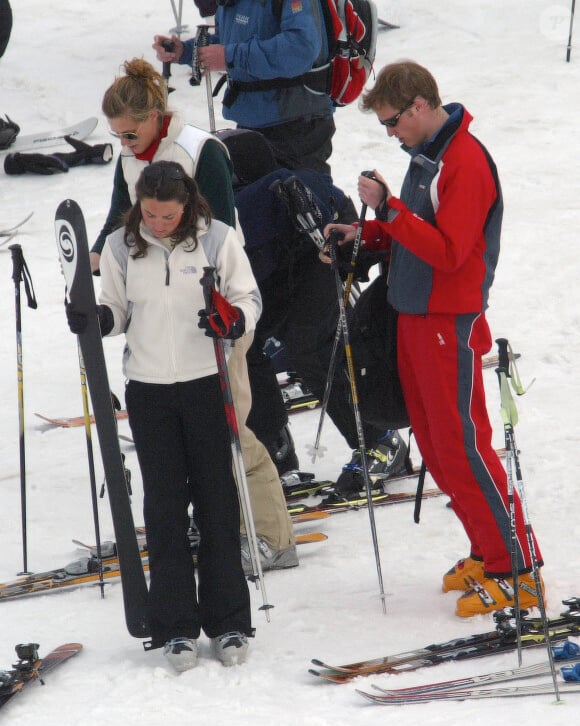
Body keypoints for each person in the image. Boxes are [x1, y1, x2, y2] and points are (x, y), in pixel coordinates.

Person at [324, 60, 545, 617]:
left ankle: (516, 568)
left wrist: (390, 210)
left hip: (449, 321)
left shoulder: (465, 161)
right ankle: (486, 548)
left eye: (392, 122)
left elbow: (450, 252)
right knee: (436, 446)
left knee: (463, 446)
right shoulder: (427, 155)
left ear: (420, 106)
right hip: (415, 317)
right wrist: (369, 231)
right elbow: (418, 231)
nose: (390, 134)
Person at [90, 58, 297, 573]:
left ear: (157, 115)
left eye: (130, 133)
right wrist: (98, 257)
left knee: (230, 430)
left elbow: (220, 235)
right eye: (117, 136)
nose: (125, 144)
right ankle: (208, 521)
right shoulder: (131, 157)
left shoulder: (200, 151)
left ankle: (274, 536)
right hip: (162, 320)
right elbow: (121, 217)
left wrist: (218, 308)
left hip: (216, 313)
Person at [71, 161, 260, 669]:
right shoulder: (119, 246)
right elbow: (115, 309)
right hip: (150, 390)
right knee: (164, 507)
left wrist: (232, 318)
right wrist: (96, 317)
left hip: (205, 383)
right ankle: (175, 625)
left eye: (168, 215)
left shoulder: (218, 239)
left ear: (188, 204)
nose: (158, 223)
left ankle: (230, 622)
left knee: (217, 501)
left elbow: (248, 298)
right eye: (150, 214)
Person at [218, 128, 409, 493]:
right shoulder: (233, 198)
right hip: (266, 274)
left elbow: (342, 212)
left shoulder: (282, 189)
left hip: (310, 260)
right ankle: (274, 448)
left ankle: (381, 441)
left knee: (312, 349)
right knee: (243, 347)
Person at [153, 0, 335, 175]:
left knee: (301, 201)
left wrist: (230, 56)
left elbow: (300, 49)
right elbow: (230, 39)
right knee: (254, 201)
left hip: (297, 124)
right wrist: (185, 51)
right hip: (252, 120)